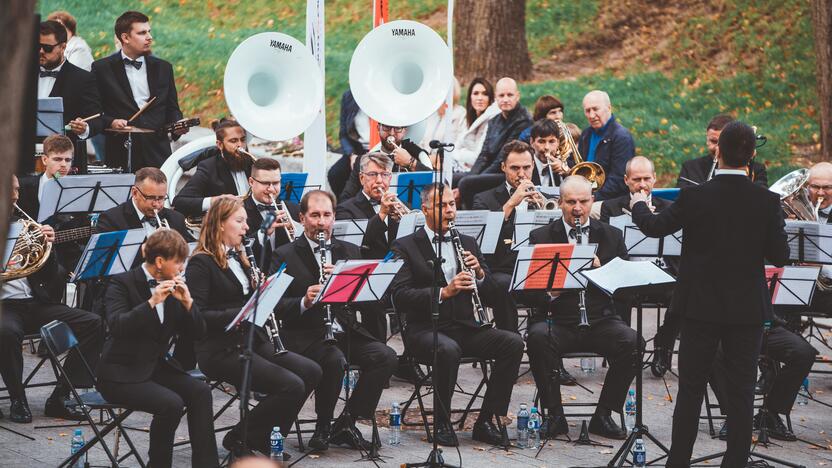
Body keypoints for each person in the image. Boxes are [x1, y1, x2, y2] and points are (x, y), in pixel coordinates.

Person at [631, 121, 789, 468]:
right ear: (751, 156)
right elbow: (780, 257)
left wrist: (639, 203)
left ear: (718, 151)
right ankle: (735, 462)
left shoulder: (696, 195)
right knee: (743, 392)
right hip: (746, 310)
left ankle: (679, 461)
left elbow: (654, 227)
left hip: (699, 307)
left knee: (690, 388)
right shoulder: (767, 201)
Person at [187, 196, 322, 460]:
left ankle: (263, 435)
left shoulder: (239, 257)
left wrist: (263, 290)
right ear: (220, 224)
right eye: (239, 221)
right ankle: (242, 436)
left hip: (252, 340)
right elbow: (197, 316)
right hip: (219, 349)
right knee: (291, 385)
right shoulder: (201, 264)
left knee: (312, 370)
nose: (246, 228)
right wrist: (241, 311)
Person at [391, 182, 524, 447]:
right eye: (442, 206)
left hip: (466, 326)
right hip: (425, 329)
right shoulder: (405, 246)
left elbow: (489, 293)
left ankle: (486, 420)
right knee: (448, 350)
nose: (450, 211)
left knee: (513, 343)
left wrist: (481, 275)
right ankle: (442, 421)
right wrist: (443, 292)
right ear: (425, 209)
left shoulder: (468, 242)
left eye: (452, 204)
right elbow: (400, 296)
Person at [270, 190, 397, 452]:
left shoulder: (348, 250)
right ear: (302, 218)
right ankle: (323, 427)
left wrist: (347, 284)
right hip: (305, 334)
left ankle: (347, 421)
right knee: (334, 360)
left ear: (334, 217)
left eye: (327, 215)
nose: (321, 222)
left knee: (385, 355)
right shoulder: (285, 254)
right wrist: (305, 300)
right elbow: (274, 306)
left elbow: (369, 299)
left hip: (343, 329)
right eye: (315, 215)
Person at [521, 176, 637, 440]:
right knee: (538, 337)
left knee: (633, 342)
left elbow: (626, 289)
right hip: (558, 320)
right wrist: (549, 293)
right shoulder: (541, 236)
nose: (577, 208)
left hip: (599, 319)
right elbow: (526, 293)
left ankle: (604, 414)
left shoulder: (611, 235)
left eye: (584, 201)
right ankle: (555, 415)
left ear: (592, 201)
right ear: (560, 203)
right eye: (571, 202)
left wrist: (601, 270)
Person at [97, 229, 218, 468]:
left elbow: (198, 334)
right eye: (179, 262)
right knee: (170, 404)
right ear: (160, 262)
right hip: (121, 373)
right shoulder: (122, 283)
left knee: (201, 392)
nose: (183, 268)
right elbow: (118, 326)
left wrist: (188, 303)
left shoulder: (175, 287)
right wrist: (151, 303)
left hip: (156, 368)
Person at [0, 175, 103, 423]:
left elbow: (51, 278)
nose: (15, 196)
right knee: (6, 331)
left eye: (16, 190)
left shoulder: (25, 226)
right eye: (9, 191)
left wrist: (49, 248)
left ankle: (60, 396)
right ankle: (17, 399)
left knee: (93, 322)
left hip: (35, 304)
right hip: (5, 307)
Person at [92, 10, 188, 170]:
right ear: (125, 37)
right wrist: (111, 122)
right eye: (142, 33)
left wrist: (178, 125)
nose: (149, 37)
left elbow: (172, 108)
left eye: (149, 31)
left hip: (157, 151)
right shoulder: (101, 68)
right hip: (120, 151)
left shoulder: (164, 67)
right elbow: (94, 109)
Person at [472, 140, 552, 331]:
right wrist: (511, 203)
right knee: (503, 284)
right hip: (500, 272)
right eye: (515, 168)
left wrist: (546, 211)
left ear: (533, 166)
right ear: (503, 167)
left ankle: (541, 340)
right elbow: (482, 243)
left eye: (526, 167)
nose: (522, 174)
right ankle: (510, 341)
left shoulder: (545, 198)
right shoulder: (483, 199)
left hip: (535, 271)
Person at [38, 20, 103, 174]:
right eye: (37, 46)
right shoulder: (20, 75)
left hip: (65, 161)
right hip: (24, 157)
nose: (40, 51)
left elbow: (97, 118)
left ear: (63, 47)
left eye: (47, 48)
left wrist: (84, 128)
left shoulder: (82, 79)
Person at [18, 135, 91, 270]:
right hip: (25, 257)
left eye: (68, 160)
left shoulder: (80, 192)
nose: (63, 164)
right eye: (57, 159)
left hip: (63, 263)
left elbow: (82, 236)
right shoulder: (24, 186)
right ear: (45, 159)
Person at [458, 77, 531, 208]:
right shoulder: (494, 121)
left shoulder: (523, 121)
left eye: (510, 95)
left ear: (517, 96)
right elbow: (484, 154)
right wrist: (473, 174)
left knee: (466, 184)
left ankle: (474, 218)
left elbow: (502, 159)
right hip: (492, 169)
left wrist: (475, 178)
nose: (505, 99)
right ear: (496, 98)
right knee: (453, 178)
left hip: (507, 171)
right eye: (501, 95)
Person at [173, 119, 252, 218]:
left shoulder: (252, 163)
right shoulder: (208, 167)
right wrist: (215, 201)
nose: (240, 145)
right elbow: (180, 201)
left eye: (243, 140)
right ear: (219, 144)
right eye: (233, 141)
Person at [339, 122, 430, 201]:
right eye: (386, 127)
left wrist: (411, 163)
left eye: (398, 128)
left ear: (404, 130)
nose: (391, 133)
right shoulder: (363, 160)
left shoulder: (417, 156)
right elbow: (346, 198)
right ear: (378, 128)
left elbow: (434, 185)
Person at [335, 153, 401, 262]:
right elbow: (352, 245)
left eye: (384, 174)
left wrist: (404, 222)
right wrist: (382, 214)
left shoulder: (400, 206)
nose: (379, 180)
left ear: (390, 178)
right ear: (361, 178)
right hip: (366, 271)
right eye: (373, 174)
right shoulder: (345, 209)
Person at [677, 114, 768, 188]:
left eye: (720, 142)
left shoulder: (757, 170)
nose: (716, 148)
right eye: (712, 141)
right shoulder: (690, 168)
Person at [242, 157, 300, 271]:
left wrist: (297, 230)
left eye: (276, 183)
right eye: (265, 183)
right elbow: (239, 250)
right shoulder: (239, 211)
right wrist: (263, 233)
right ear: (251, 182)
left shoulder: (293, 209)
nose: (271, 189)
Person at [577, 90, 635, 201]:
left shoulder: (622, 137)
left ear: (609, 108)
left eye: (595, 109)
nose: (591, 115)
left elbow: (618, 181)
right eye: (587, 111)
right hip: (586, 197)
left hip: (611, 201)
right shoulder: (586, 134)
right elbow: (578, 165)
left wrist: (590, 198)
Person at [599, 156, 671, 223]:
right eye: (636, 179)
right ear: (626, 180)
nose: (642, 185)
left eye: (646, 179)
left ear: (654, 178)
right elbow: (606, 236)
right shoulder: (609, 208)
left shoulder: (669, 207)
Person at [328, 90, 369, 198]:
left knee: (364, 178)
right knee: (335, 174)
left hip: (380, 148)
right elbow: (343, 133)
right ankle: (346, 208)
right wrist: (352, 154)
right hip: (358, 149)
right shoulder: (348, 96)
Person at [452, 77, 498, 171]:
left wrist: (460, 153)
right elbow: (455, 147)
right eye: (476, 93)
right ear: (470, 97)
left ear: (490, 98)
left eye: (485, 94)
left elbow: (477, 158)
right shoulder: (466, 118)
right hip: (461, 167)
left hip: (479, 172)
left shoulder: (492, 121)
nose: (480, 98)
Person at [529, 119, 570, 187]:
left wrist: (568, 172)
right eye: (541, 141)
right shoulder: (524, 166)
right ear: (532, 142)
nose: (547, 147)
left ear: (558, 143)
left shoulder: (568, 165)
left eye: (551, 141)